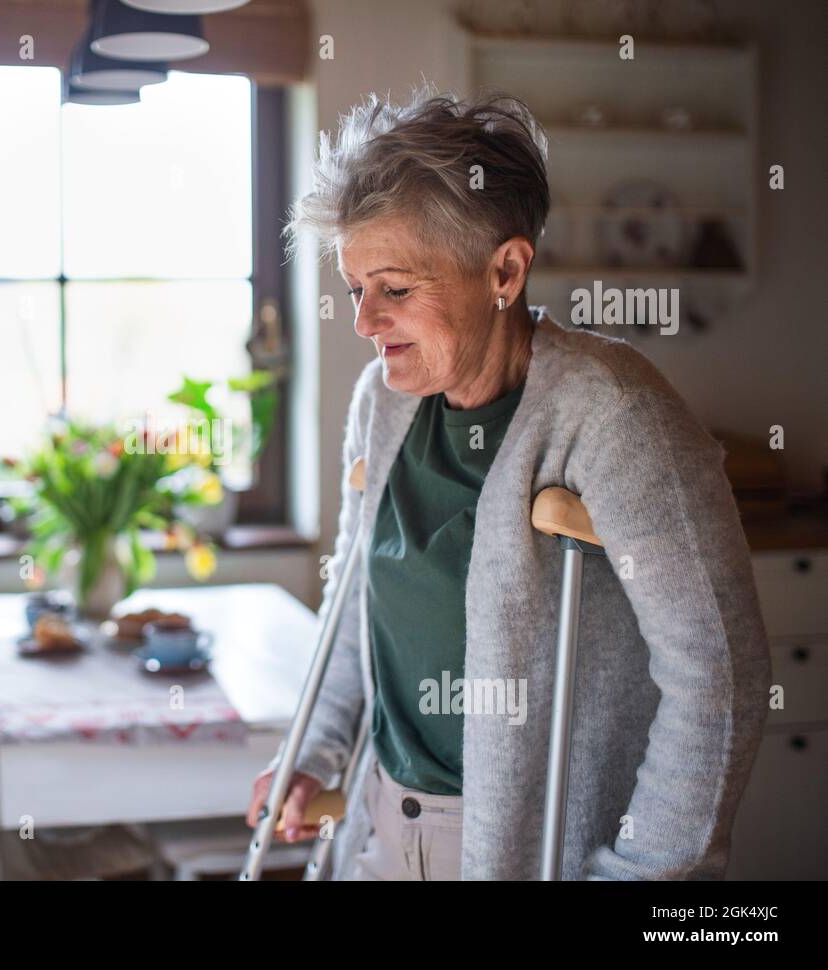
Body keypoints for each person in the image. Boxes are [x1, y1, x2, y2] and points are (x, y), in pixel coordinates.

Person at [245, 87, 770, 880]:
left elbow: (719, 673)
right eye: (356, 290)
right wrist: (312, 751)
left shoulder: (615, 414)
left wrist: (644, 872)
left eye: (395, 289)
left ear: (505, 270)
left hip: (529, 847)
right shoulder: (382, 403)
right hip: (380, 824)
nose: (363, 322)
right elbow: (354, 608)